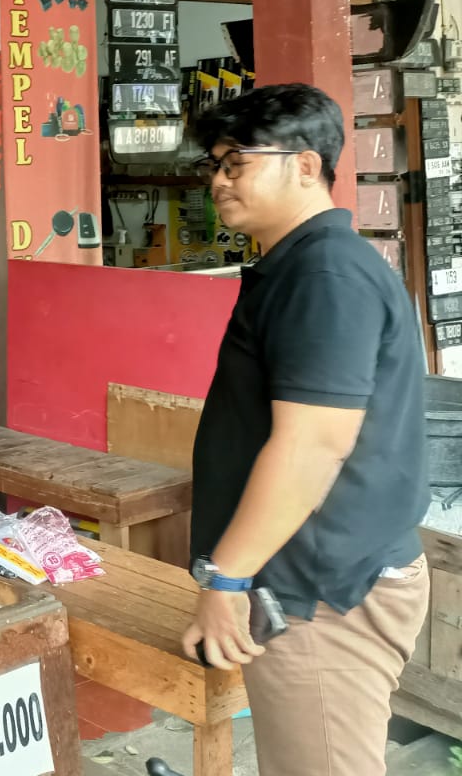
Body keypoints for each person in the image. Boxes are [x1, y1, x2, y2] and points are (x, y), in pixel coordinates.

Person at [183, 83, 429, 776]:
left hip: (322, 594)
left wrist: (226, 580)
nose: (219, 180)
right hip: (307, 577)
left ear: (305, 165)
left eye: (237, 162)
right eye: (214, 164)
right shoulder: (301, 265)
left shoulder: (325, 275)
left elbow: (312, 445)